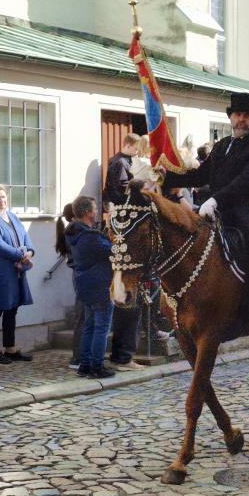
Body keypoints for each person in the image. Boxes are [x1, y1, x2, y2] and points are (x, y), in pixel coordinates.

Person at [162, 92, 249, 338]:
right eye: (238, 114)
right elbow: (200, 176)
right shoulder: (222, 146)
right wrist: (166, 176)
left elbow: (247, 180)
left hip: (247, 209)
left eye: (247, 115)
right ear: (230, 117)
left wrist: (216, 199)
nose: (242, 119)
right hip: (215, 209)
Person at [0, 185, 34, 364]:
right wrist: (20, 255)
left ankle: (10, 348)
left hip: (16, 270)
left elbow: (26, 238)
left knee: (12, 308)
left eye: (3, 197)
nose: (1, 200)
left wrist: (29, 252)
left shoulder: (12, 216)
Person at [102, 135, 144, 371]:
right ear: (130, 144)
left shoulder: (123, 161)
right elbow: (120, 191)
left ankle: (124, 355)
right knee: (126, 306)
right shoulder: (121, 163)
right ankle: (122, 357)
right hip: (122, 220)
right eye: (137, 147)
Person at [65, 197, 116, 379]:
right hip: (100, 285)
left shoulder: (75, 233)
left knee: (89, 326)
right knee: (101, 327)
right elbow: (113, 250)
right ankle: (97, 366)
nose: (96, 213)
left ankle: (85, 364)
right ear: (87, 212)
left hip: (85, 284)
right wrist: (111, 227)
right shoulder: (90, 237)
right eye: (94, 209)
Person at [55, 203, 84, 369]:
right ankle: (77, 357)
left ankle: (79, 356)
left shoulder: (71, 232)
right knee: (81, 317)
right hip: (81, 275)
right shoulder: (74, 233)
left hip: (78, 274)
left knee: (82, 317)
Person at [103, 133, 140, 207]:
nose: (137, 151)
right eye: (136, 149)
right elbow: (122, 185)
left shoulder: (128, 159)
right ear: (128, 146)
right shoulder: (120, 162)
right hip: (121, 203)